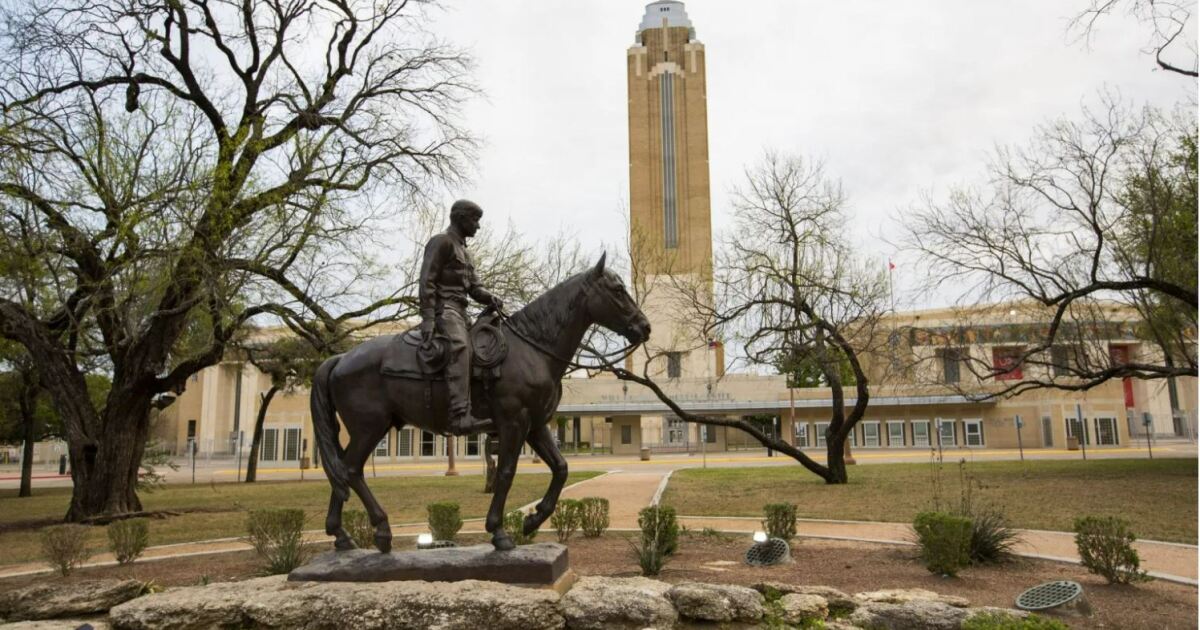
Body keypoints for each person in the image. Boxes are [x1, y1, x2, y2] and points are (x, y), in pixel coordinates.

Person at [418, 199, 503, 436]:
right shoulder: (441, 243)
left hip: (463, 313)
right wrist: (428, 318)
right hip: (445, 310)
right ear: (460, 218)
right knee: (460, 347)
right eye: (475, 220)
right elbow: (427, 281)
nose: (478, 226)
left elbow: (476, 288)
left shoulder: (466, 253)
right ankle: (459, 414)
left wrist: (491, 297)